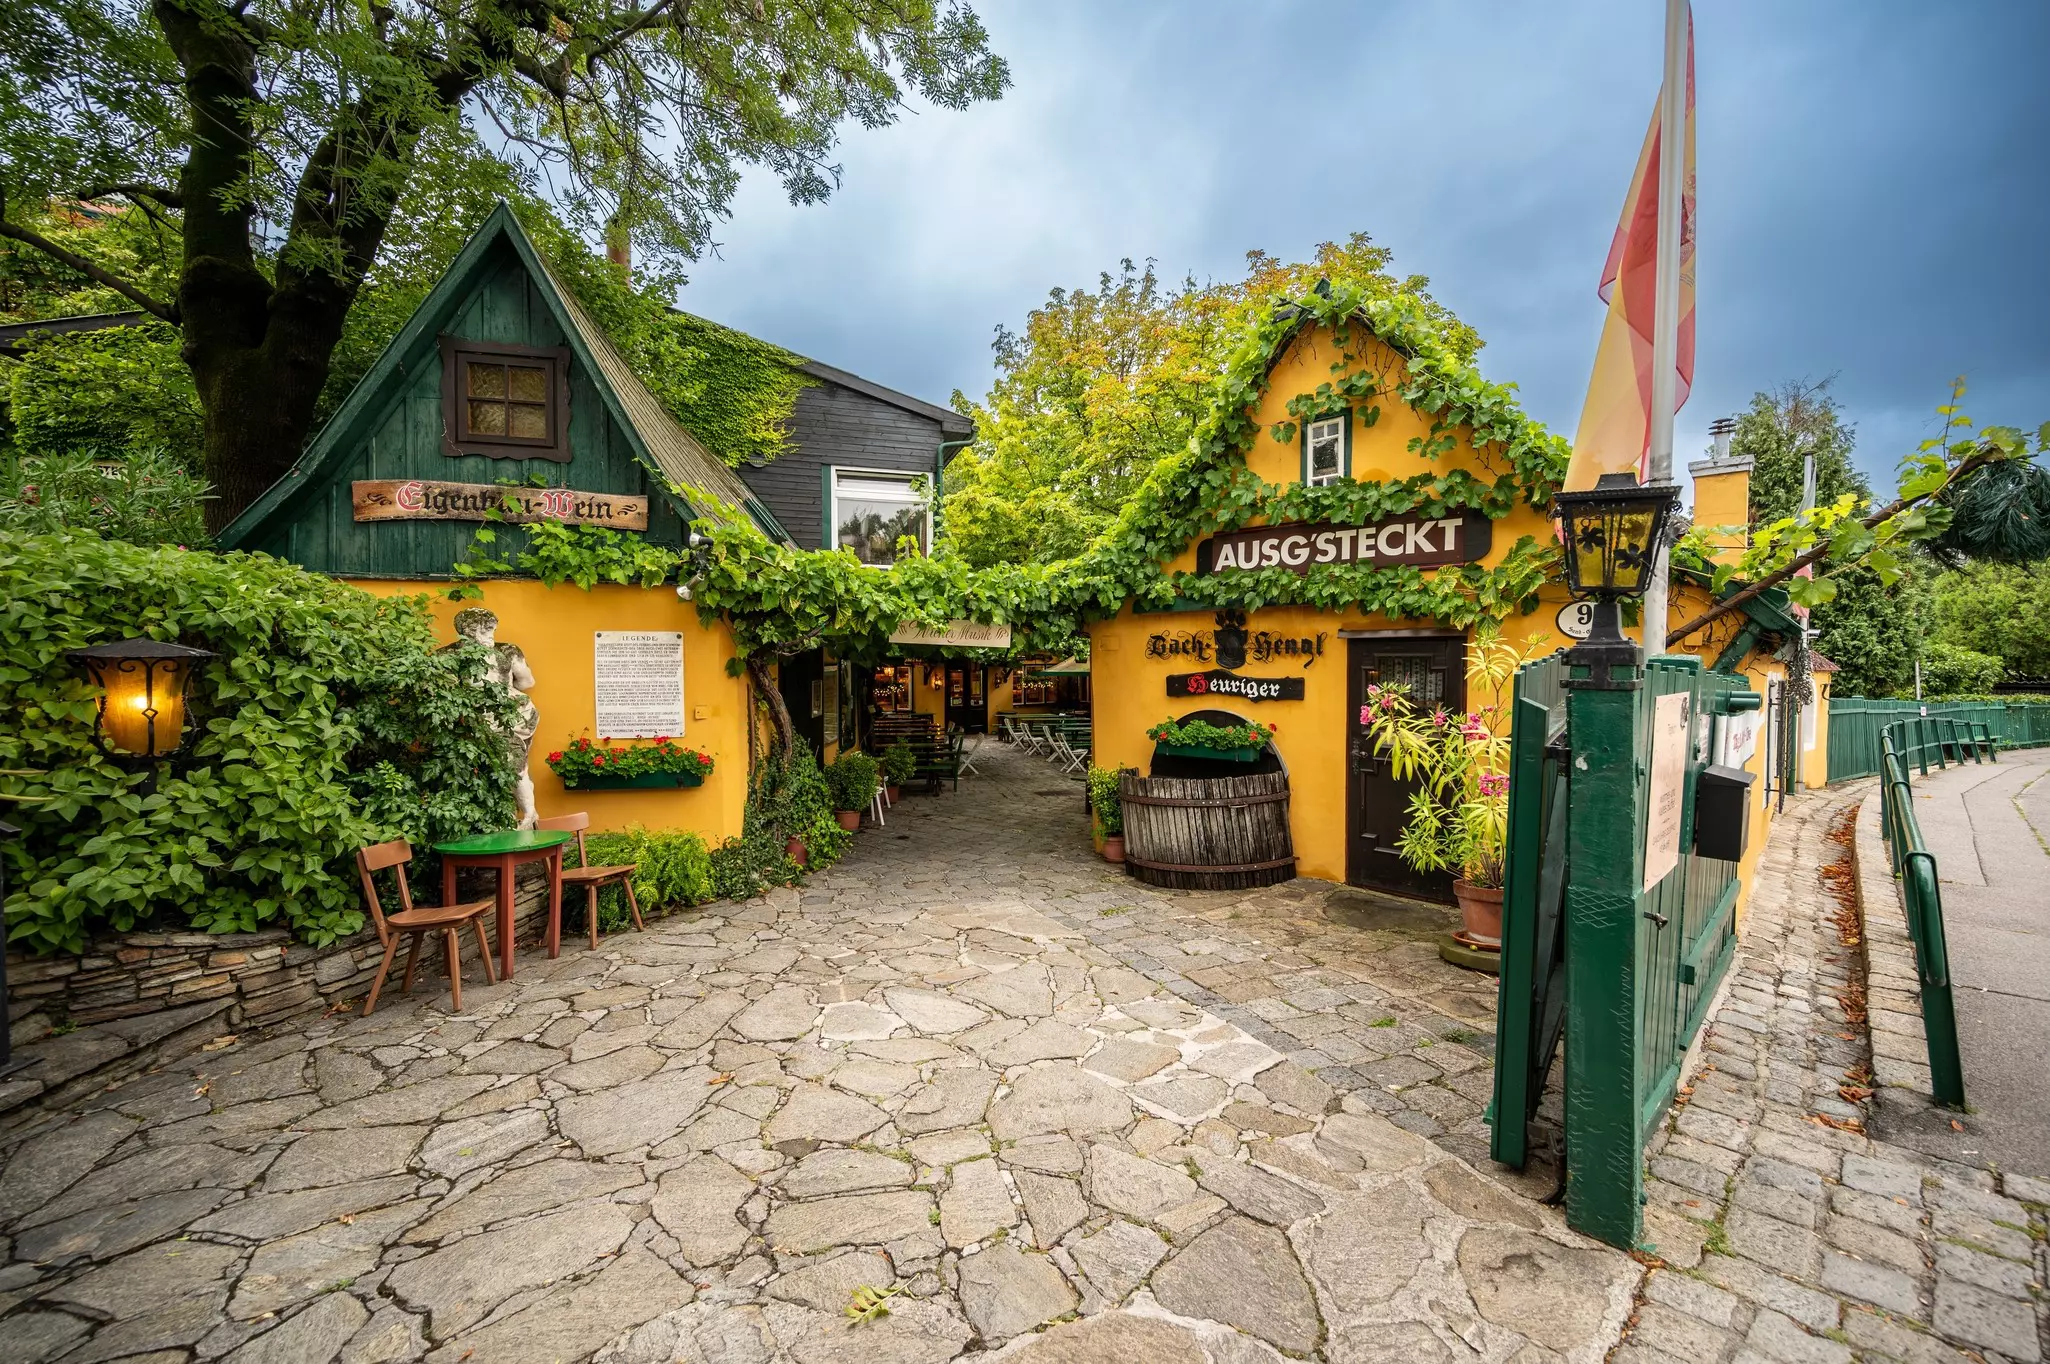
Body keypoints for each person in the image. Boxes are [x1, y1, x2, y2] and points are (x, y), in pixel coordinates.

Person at [449, 608, 540, 828]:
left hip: (514, 717)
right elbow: (444, 694)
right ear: (470, 630)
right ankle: (516, 816)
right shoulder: (448, 657)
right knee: (497, 768)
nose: (492, 635)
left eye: (493, 629)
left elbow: (528, 683)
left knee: (513, 761)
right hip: (477, 721)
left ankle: (528, 814)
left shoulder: (508, 651)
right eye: (487, 630)